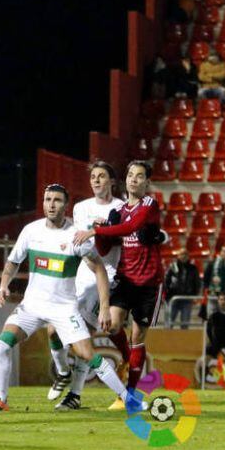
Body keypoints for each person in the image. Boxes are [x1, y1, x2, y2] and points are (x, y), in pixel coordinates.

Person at [0, 184, 140, 413]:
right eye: (47, 199)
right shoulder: (31, 231)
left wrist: (104, 307)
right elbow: (13, 262)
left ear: (66, 206)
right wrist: (3, 286)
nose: (51, 204)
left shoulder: (76, 236)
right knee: (3, 344)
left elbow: (99, 270)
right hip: (32, 305)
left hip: (64, 308)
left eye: (57, 200)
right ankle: (0, 399)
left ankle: (128, 399)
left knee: (87, 354)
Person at [74, 160, 163, 411]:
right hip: (126, 279)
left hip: (149, 283)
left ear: (146, 182)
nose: (134, 179)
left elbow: (133, 227)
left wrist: (95, 231)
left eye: (139, 176)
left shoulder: (149, 204)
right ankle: (126, 357)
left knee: (137, 337)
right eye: (130, 175)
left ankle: (130, 396)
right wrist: (103, 229)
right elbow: (105, 249)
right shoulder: (121, 210)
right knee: (112, 325)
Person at [47, 160, 128, 411]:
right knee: (54, 331)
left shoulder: (122, 207)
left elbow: (120, 240)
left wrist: (103, 233)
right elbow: (80, 243)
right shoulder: (81, 208)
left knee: (83, 337)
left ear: (112, 181)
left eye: (102, 176)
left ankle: (75, 394)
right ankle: (65, 376)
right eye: (93, 176)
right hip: (80, 273)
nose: (96, 180)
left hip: (104, 277)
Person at [164, 248, 201, 330]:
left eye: (185, 254)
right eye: (181, 254)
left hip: (187, 299)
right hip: (173, 298)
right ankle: (166, 340)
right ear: (178, 256)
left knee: (185, 323)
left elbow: (197, 283)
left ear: (188, 256)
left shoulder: (193, 268)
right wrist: (167, 295)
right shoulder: (172, 267)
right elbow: (166, 281)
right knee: (169, 323)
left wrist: (194, 295)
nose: (183, 256)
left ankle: (184, 341)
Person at [203, 245, 225, 316]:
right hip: (213, 295)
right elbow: (206, 278)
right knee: (211, 317)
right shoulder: (212, 264)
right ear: (220, 252)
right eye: (223, 251)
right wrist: (206, 289)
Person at [206, 292, 225, 358]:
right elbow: (209, 331)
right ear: (218, 301)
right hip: (216, 345)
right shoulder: (213, 316)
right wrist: (212, 341)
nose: (223, 302)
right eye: (221, 299)